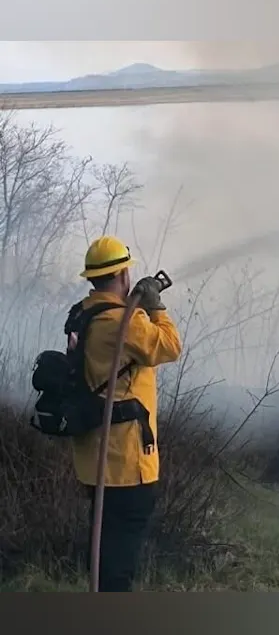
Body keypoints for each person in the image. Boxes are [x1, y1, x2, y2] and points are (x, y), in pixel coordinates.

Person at [68, 235, 182, 592]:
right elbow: (170, 346)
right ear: (122, 277)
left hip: (94, 458)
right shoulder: (123, 321)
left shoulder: (83, 313)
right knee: (120, 556)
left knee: (106, 544)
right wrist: (156, 306)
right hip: (125, 462)